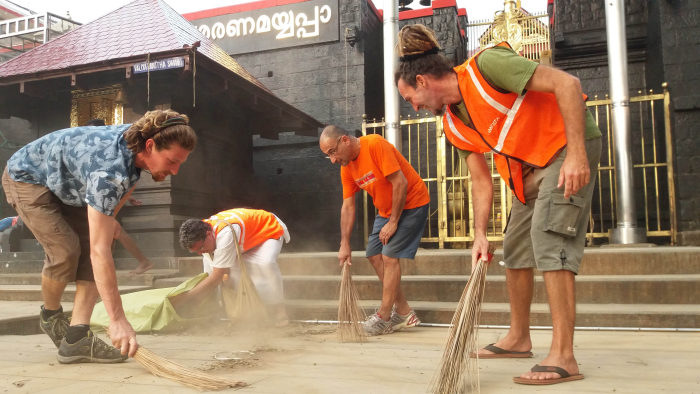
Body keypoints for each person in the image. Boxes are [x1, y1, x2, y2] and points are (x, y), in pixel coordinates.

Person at [394, 24, 602, 385]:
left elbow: (567, 84)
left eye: (410, 99)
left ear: (423, 81)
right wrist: (478, 235)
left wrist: (578, 155)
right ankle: (519, 338)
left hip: (564, 149)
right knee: (516, 248)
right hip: (529, 171)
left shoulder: (487, 67)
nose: (413, 108)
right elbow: (480, 180)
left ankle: (564, 356)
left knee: (550, 239)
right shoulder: (453, 122)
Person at [2, 110, 197, 363]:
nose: (176, 170)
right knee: (67, 250)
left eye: (180, 163)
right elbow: (98, 251)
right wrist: (117, 320)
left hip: (70, 184)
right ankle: (50, 315)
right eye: (172, 161)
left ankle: (77, 338)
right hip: (28, 177)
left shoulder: (141, 137)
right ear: (150, 146)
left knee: (97, 245)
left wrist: (112, 215)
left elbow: (131, 179)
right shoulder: (109, 173)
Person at [319, 125, 430, 336]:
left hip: (412, 202)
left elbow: (400, 183)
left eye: (332, 152)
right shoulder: (346, 168)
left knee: (389, 256)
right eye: (328, 156)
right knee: (373, 254)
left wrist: (394, 221)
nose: (333, 160)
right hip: (386, 209)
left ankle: (384, 317)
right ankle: (404, 311)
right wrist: (344, 243)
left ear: (345, 140)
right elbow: (348, 206)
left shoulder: (375, 145)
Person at [177, 208, 291, 327]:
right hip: (247, 238)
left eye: (201, 248)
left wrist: (187, 298)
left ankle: (280, 312)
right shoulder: (203, 236)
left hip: (267, 230)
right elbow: (210, 277)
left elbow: (217, 276)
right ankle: (242, 313)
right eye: (196, 251)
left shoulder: (225, 234)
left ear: (209, 234)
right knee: (232, 273)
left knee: (265, 264)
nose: (201, 253)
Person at [85, 119, 153, 275]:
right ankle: (142, 261)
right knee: (113, 231)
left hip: (103, 200)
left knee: (113, 229)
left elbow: (117, 177)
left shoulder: (114, 148)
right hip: (96, 198)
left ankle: (143, 261)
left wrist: (127, 196)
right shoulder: (93, 149)